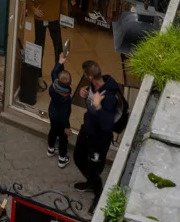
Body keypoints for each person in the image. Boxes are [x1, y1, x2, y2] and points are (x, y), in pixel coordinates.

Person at [72, 66, 125, 194]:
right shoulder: (93, 86)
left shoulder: (110, 97)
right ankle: (92, 182)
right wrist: (84, 94)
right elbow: (91, 105)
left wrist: (98, 106)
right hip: (87, 129)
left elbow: (107, 125)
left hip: (99, 139)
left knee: (94, 168)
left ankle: (97, 191)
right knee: (78, 157)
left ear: (90, 77)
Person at [46, 56, 73, 165]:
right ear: (70, 83)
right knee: (63, 138)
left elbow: (53, 72)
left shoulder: (54, 85)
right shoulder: (66, 98)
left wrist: (60, 62)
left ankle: (50, 149)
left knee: (53, 131)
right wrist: (67, 127)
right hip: (61, 121)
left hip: (52, 114)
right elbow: (65, 114)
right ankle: (62, 158)